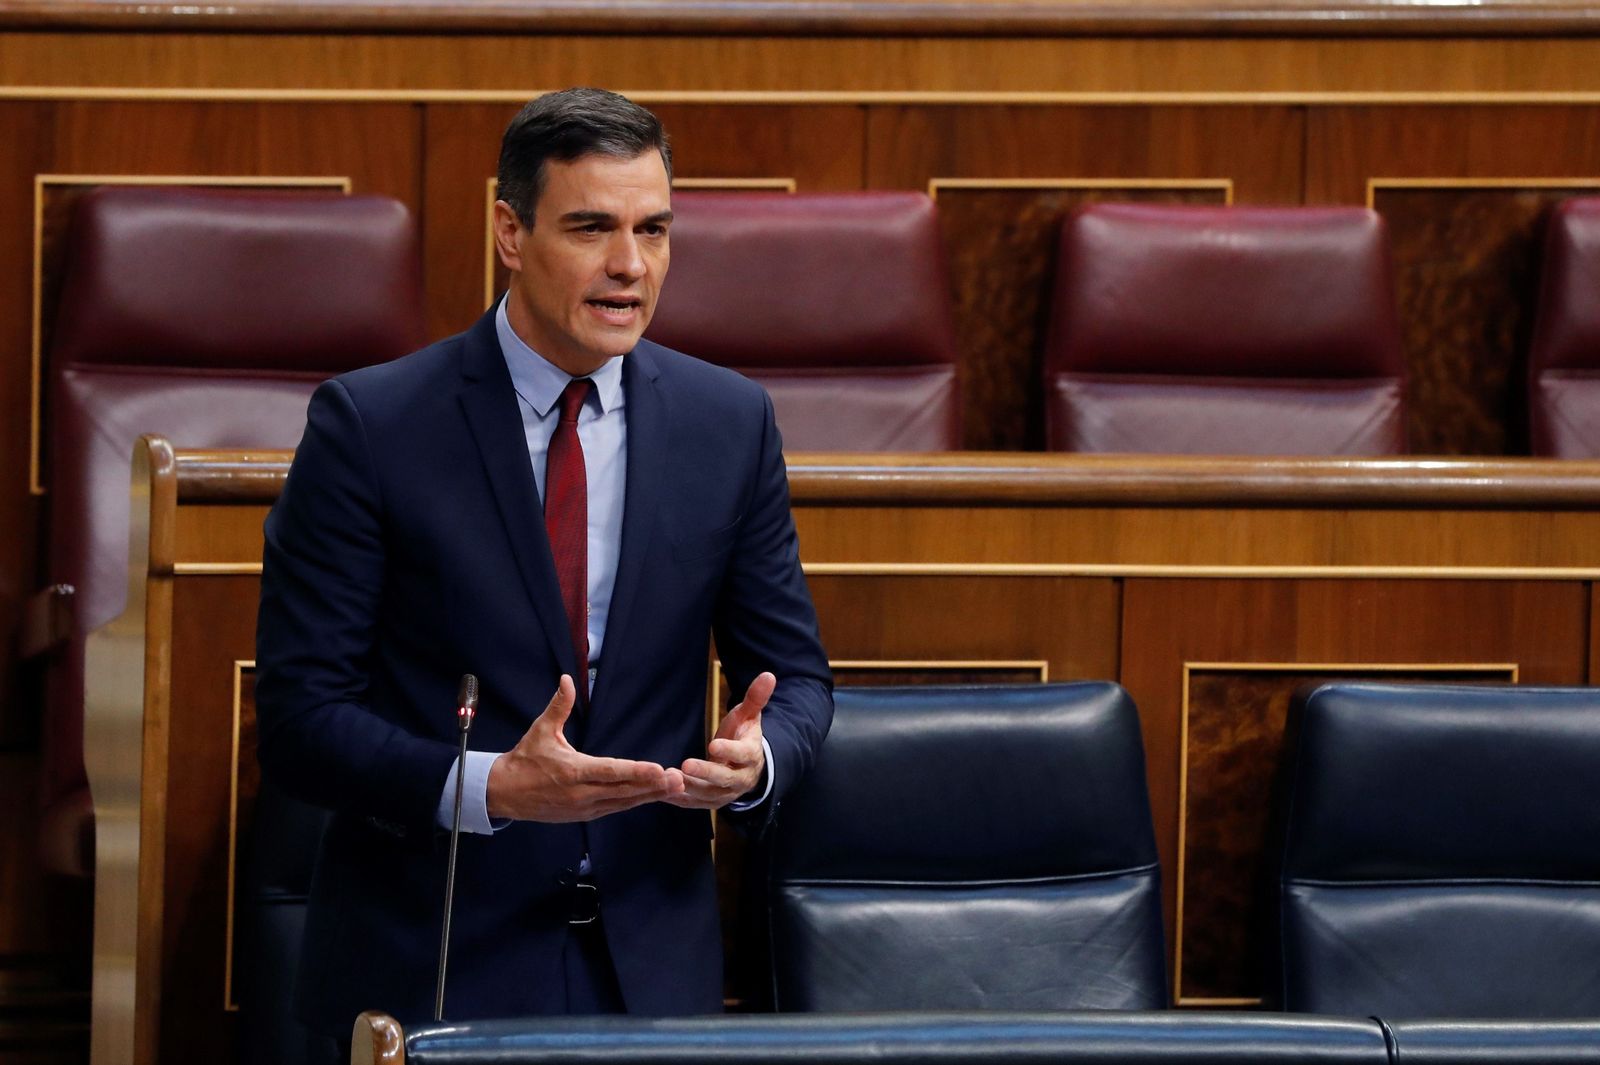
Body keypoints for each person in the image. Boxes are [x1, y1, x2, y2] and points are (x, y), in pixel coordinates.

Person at [255, 87, 834, 1043]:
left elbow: (800, 679)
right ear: (510, 233)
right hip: (435, 962)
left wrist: (756, 760)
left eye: (655, 230)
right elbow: (300, 719)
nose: (630, 266)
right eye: (592, 228)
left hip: (652, 973)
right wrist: (487, 787)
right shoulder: (372, 426)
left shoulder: (727, 423)